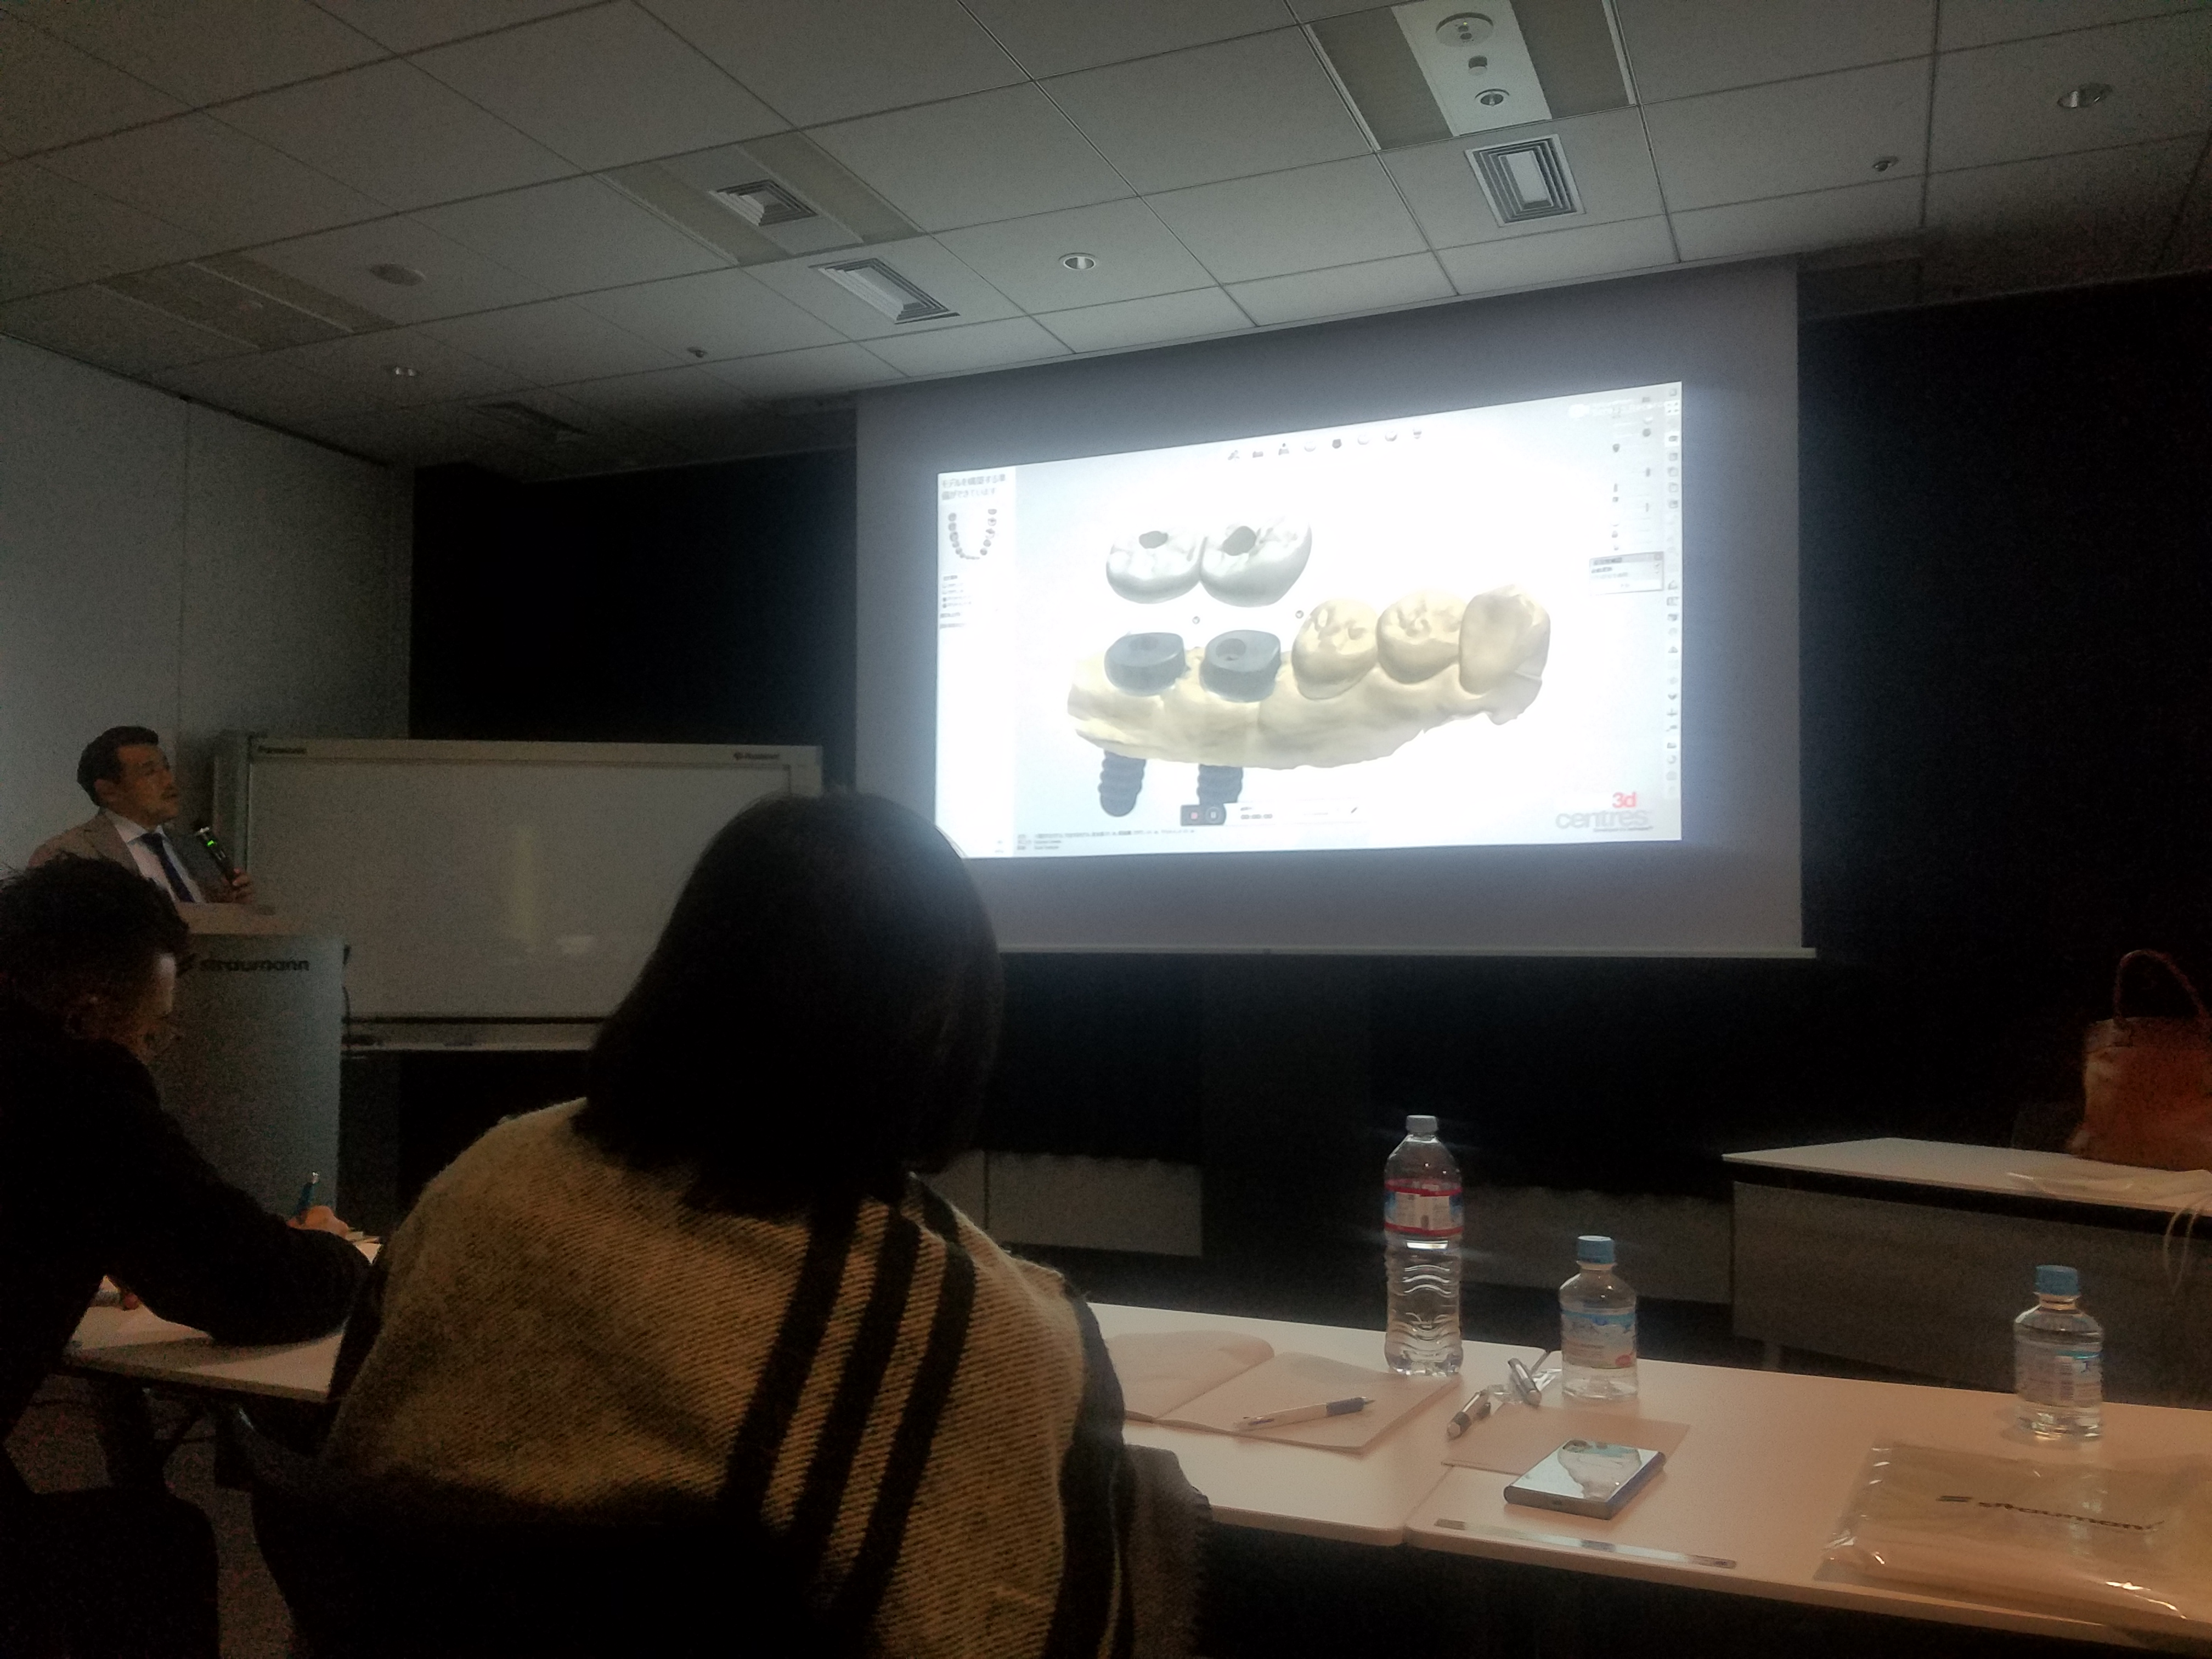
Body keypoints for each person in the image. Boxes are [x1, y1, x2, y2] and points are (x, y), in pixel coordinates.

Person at [323, 794, 1199, 1657]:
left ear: (677, 974)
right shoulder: (986, 1338)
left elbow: (351, 1447)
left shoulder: (485, 1183)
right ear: (945, 1028)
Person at [0, 857, 366, 1659]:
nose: (150, 1054)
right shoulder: (79, 1093)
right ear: (88, 1016)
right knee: (154, 1546)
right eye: (151, 1033)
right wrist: (337, 1252)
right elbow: (262, 1288)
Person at [30, 726, 255, 906]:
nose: (169, 781)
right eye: (150, 772)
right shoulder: (66, 854)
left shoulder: (197, 850)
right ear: (108, 791)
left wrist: (232, 907)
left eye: (167, 768)